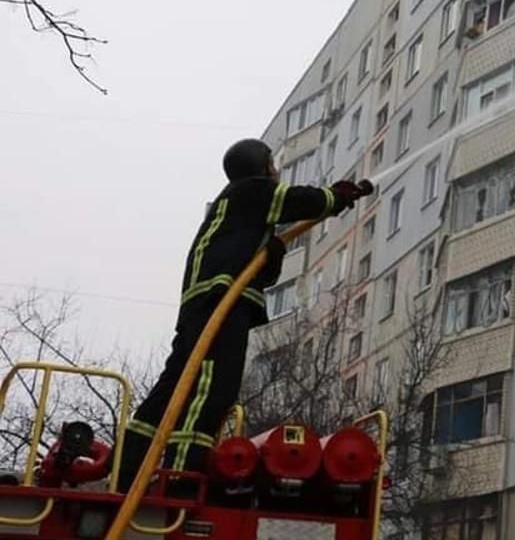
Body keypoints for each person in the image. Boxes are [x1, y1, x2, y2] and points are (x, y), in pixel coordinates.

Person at [116, 138, 373, 492]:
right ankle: (179, 479)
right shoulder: (251, 192)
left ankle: (126, 471)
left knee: (174, 389)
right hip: (220, 303)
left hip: (204, 305)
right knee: (212, 390)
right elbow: (298, 201)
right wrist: (336, 196)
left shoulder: (233, 211)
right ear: (262, 167)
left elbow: (261, 271)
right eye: (273, 164)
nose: (276, 171)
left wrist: (273, 250)